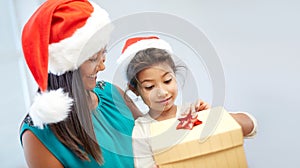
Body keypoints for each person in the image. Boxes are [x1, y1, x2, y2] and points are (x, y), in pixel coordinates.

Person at [19, 0, 141, 167]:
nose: (102, 66)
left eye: (103, 53)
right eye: (93, 59)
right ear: (62, 66)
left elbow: (158, 135)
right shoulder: (38, 135)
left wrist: (185, 115)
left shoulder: (112, 94)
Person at [117, 36, 257, 167]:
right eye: (150, 87)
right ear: (135, 90)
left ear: (175, 76)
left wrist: (213, 118)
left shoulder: (193, 112)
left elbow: (250, 125)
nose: (162, 92)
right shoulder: (143, 130)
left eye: (167, 81)